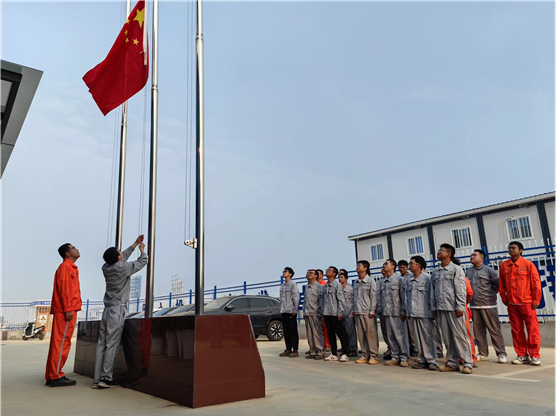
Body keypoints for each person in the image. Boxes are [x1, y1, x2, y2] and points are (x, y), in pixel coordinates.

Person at [93, 236, 148, 388]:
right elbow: (142, 262)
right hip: (117, 310)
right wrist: (142, 250)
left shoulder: (106, 267)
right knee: (112, 344)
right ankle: (106, 378)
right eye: (119, 252)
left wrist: (135, 243)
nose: (121, 252)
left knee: (102, 343)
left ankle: (97, 378)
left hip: (107, 309)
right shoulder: (121, 268)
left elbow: (122, 257)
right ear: (118, 258)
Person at [431, 244, 473, 374]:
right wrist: (434, 307)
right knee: (447, 338)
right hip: (441, 308)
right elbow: (433, 291)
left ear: (449, 254)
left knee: (460, 336)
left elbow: (461, 289)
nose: (439, 252)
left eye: (442, 250)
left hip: (454, 309)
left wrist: (460, 306)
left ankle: (468, 363)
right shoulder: (435, 272)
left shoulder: (456, 269)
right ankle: (451, 363)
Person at [45, 244, 82, 387]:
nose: (77, 249)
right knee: (62, 344)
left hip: (66, 310)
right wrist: (68, 309)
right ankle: (56, 376)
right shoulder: (66, 267)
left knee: (59, 343)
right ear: (67, 253)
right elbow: (65, 290)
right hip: (66, 311)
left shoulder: (69, 267)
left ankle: (52, 375)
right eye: (73, 248)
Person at [499, 241, 542, 366]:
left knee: (532, 329)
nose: (511, 250)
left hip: (527, 303)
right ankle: (522, 355)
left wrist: (536, 300)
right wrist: (504, 297)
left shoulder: (528, 264)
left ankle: (535, 355)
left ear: (521, 250)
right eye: (509, 248)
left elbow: (536, 283)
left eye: (514, 248)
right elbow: (501, 284)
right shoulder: (504, 265)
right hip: (512, 304)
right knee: (516, 330)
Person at [466, 249, 507, 363]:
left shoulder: (489, 270)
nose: (472, 257)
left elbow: (498, 285)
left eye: (474, 255)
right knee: (478, 331)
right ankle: (483, 353)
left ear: (481, 258)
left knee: (494, 330)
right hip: (474, 306)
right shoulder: (468, 271)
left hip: (488, 305)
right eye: (471, 255)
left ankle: (501, 353)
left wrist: (490, 295)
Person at [406, 256, 438, 371]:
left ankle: (432, 361)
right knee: (418, 339)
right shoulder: (409, 280)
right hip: (413, 313)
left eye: (411, 263)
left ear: (418, 265)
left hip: (425, 313)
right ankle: (421, 360)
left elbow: (432, 296)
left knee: (428, 339)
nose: (409, 266)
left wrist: (432, 311)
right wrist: (408, 311)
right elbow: (407, 298)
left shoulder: (427, 278)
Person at [378, 259, 409, 367]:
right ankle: (395, 356)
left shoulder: (399, 280)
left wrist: (403, 311)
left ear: (393, 266)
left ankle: (404, 357)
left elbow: (404, 297)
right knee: (390, 336)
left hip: (397, 313)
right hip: (387, 313)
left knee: (400, 336)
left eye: (386, 264)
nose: (384, 266)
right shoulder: (383, 282)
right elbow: (381, 298)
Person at [353, 260, 379, 365]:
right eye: (357, 266)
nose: (357, 267)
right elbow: (354, 298)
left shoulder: (370, 281)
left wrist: (372, 310)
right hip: (358, 312)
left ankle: (373, 356)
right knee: (361, 336)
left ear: (365, 268)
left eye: (359, 266)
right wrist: (354, 310)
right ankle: (364, 355)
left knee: (370, 335)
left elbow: (374, 297)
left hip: (368, 312)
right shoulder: (356, 282)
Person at [321, 266, 350, 362]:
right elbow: (323, 301)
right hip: (327, 313)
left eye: (329, 270)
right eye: (327, 269)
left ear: (334, 274)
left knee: (341, 333)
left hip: (335, 313)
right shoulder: (325, 286)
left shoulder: (337, 285)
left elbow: (341, 300)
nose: (327, 271)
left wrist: (340, 312)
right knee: (330, 334)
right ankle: (334, 353)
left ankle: (345, 353)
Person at [303, 269, 325, 360]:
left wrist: (320, 313)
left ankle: (320, 351)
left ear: (316, 276)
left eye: (311, 273)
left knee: (317, 334)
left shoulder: (319, 287)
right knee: (310, 334)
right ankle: (313, 351)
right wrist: (304, 312)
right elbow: (305, 301)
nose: (308, 274)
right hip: (307, 313)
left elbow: (321, 301)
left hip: (315, 313)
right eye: (307, 273)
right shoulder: (307, 286)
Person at [279, 267, 300, 358]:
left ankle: (295, 349)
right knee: (286, 331)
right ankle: (288, 349)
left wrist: (295, 309)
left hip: (291, 311)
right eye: (283, 271)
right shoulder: (282, 286)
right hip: (283, 311)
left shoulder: (293, 284)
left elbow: (296, 297)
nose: (284, 273)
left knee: (292, 331)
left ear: (290, 274)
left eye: (285, 271)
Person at [398, 259, 417, 357]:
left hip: (411, 307)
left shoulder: (410, 278)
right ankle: (409, 347)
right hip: (402, 308)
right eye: (400, 267)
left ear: (407, 267)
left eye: (403, 267)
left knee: (412, 330)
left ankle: (415, 348)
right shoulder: (398, 279)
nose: (401, 269)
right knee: (405, 330)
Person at [338, 269, 358, 357]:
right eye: (339, 277)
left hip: (349, 313)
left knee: (351, 332)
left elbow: (354, 301)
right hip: (341, 314)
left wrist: (353, 311)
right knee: (343, 333)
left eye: (342, 277)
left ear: (346, 279)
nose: (340, 279)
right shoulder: (338, 289)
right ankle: (346, 349)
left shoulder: (350, 289)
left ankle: (353, 349)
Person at [377, 269, 392, 360]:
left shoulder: (396, 280)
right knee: (385, 331)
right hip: (382, 310)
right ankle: (390, 348)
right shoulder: (380, 282)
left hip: (392, 311)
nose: (383, 270)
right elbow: (378, 296)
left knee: (393, 332)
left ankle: (395, 351)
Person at [316, 269, 331, 351]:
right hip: (317, 309)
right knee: (319, 329)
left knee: (326, 328)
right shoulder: (314, 285)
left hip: (325, 309)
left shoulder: (324, 284)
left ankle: (327, 344)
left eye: (318, 274)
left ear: (322, 275)